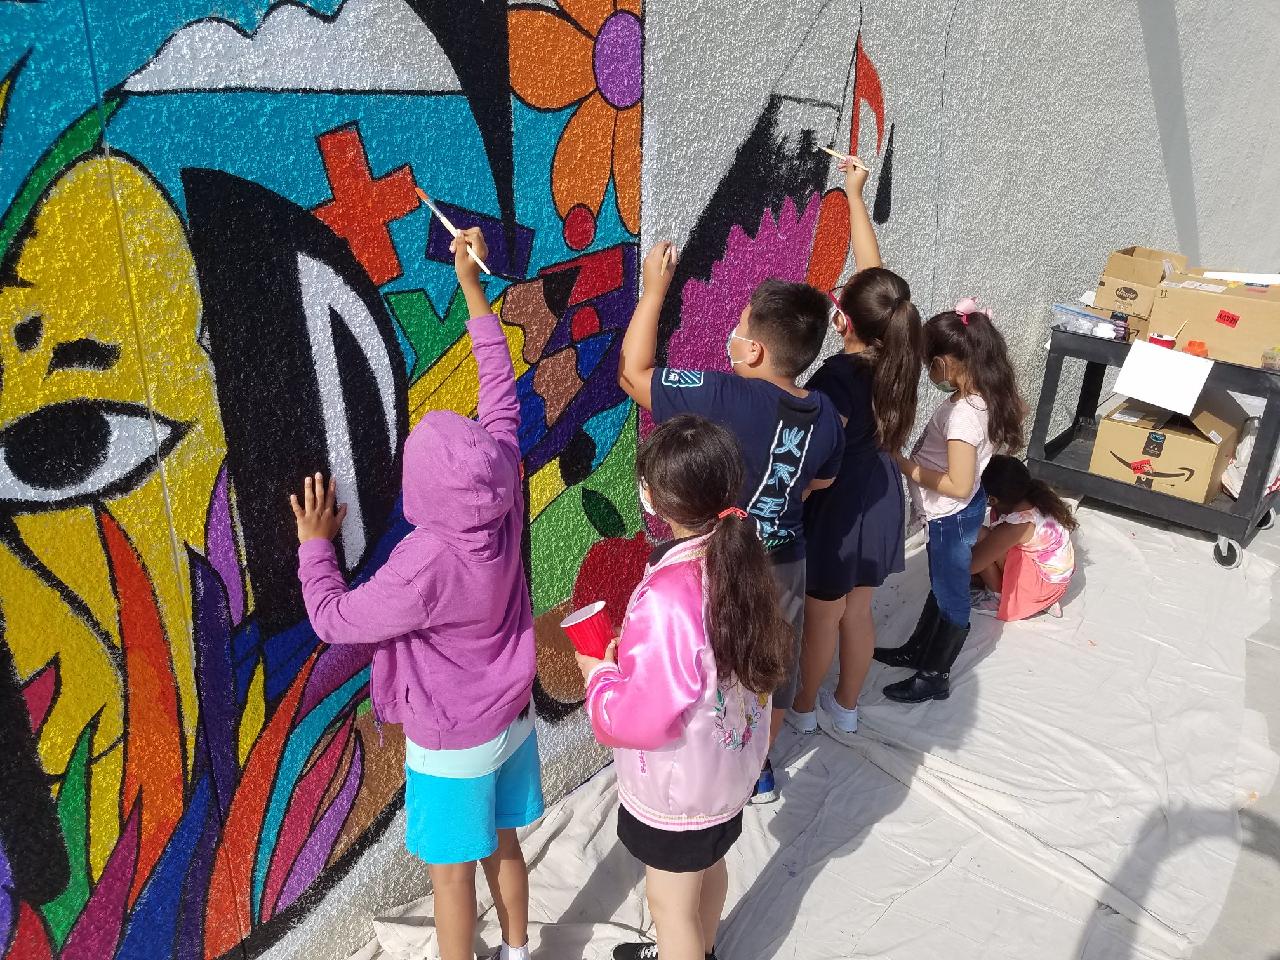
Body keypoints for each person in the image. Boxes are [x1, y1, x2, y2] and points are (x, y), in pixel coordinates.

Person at [292, 229, 540, 960]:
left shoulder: (424, 562)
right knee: (505, 844)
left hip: (451, 745)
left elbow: (335, 619)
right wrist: (470, 288)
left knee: (450, 880)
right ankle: (521, 952)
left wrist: (315, 544)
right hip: (512, 717)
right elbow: (501, 396)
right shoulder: (507, 488)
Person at [618, 247, 844, 803]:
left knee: (712, 666)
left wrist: (653, 289)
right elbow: (821, 484)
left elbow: (633, 374)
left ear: (756, 348)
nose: (733, 332)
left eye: (740, 324)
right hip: (786, 562)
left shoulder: (723, 394)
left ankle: (714, 768)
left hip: (720, 563)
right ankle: (755, 769)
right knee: (767, 669)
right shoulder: (828, 417)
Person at [575, 415, 793, 960]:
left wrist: (598, 673)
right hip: (728, 769)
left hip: (680, 790)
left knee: (669, 904)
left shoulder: (672, 591)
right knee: (710, 870)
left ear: (660, 501)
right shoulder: (739, 555)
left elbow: (641, 715)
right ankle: (706, 947)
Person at [789, 155, 922, 739]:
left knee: (823, 618)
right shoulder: (902, 347)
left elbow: (818, 452)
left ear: (842, 319)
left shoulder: (836, 381)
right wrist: (854, 194)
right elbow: (877, 282)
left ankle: (802, 709)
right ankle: (846, 707)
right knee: (858, 611)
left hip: (840, 509)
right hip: (882, 497)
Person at [875, 299, 1026, 704]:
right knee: (944, 586)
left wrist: (902, 463)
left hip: (951, 513)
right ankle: (919, 650)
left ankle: (934, 675)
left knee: (952, 594)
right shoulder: (985, 395)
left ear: (947, 362)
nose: (928, 372)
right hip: (957, 512)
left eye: (930, 364)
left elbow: (958, 484)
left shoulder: (963, 416)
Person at [970, 455, 1077, 621]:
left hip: (1040, 587)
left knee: (979, 536)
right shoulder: (1031, 495)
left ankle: (998, 597)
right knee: (989, 541)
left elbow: (974, 564)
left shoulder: (1019, 523)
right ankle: (1040, 602)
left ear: (992, 499)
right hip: (1054, 581)